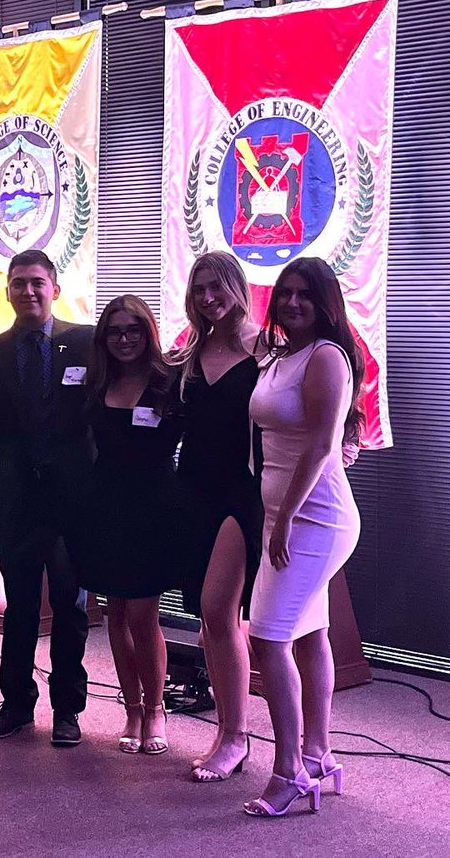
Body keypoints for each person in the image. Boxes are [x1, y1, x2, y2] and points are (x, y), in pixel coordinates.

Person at [244, 257, 363, 817]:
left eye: (305, 295)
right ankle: (318, 752)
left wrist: (286, 515)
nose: (292, 302)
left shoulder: (327, 357)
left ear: (325, 302)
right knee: (311, 632)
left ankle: (288, 770)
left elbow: (320, 444)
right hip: (283, 514)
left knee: (268, 639)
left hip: (314, 516)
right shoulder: (278, 355)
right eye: (285, 293)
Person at [0, 249, 94, 747]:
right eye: (18, 283)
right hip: (14, 505)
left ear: (55, 289)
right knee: (19, 608)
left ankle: (68, 710)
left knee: (71, 608)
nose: (28, 291)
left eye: (37, 282)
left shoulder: (86, 345)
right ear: (8, 291)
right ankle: (16, 706)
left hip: (70, 505)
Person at [171, 251, 264, 783]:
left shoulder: (264, 348)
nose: (208, 297)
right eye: (199, 288)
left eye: (217, 287)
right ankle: (229, 727)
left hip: (242, 493)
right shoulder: (191, 350)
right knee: (210, 623)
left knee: (218, 610)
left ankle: (236, 737)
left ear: (236, 285)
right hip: (192, 492)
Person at [75, 295, 183, 755]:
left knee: (143, 615)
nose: (123, 339)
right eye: (115, 331)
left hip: (154, 508)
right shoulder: (97, 381)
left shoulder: (169, 383)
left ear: (147, 333)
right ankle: (132, 709)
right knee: (115, 614)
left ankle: (156, 709)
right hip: (105, 505)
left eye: (132, 330)